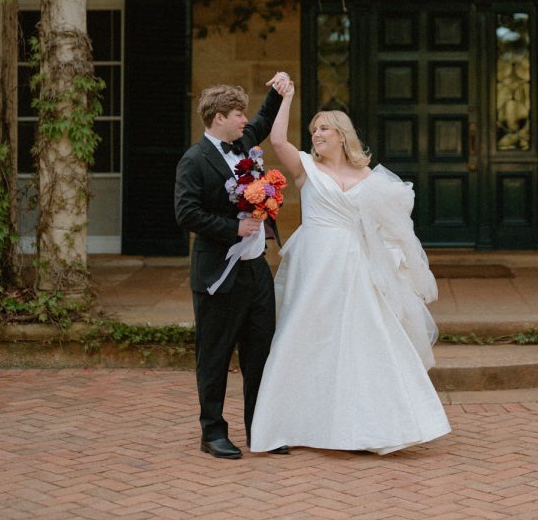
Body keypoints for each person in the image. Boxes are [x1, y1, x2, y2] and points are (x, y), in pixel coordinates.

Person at [249, 83, 451, 456]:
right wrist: (286, 97)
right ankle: (290, 424)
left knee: (365, 339)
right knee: (304, 336)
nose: (316, 134)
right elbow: (277, 140)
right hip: (316, 264)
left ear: (342, 135)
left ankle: (374, 428)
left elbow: (388, 225)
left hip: (356, 265)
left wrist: (394, 257)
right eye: (313, 129)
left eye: (324, 128)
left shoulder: (369, 177)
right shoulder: (306, 168)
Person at [174, 74, 293, 460]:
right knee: (215, 354)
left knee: (260, 351)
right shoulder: (194, 160)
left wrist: (279, 89)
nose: (245, 120)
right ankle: (212, 432)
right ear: (218, 118)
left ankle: (260, 429)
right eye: (238, 114)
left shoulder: (243, 143)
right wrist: (233, 228)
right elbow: (186, 213)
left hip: (256, 270)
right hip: (218, 274)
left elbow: (263, 119)